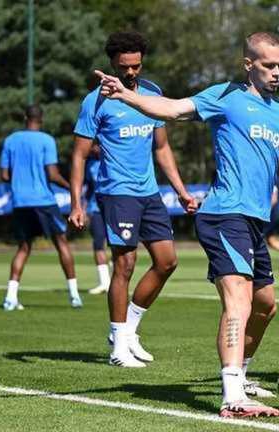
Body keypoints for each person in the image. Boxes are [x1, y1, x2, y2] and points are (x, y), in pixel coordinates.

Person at [93, 32, 279, 417]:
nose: (276, 73)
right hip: (223, 214)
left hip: (254, 221)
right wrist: (126, 94)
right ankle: (233, 395)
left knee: (266, 306)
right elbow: (171, 109)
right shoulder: (225, 97)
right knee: (239, 300)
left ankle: (243, 375)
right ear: (248, 64)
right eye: (268, 65)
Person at [69, 31, 198, 368]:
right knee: (124, 265)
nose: (130, 72)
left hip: (149, 192)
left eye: (136, 66)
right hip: (116, 193)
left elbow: (162, 148)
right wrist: (76, 203)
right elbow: (79, 155)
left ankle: (129, 332)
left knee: (167, 261)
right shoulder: (95, 101)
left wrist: (181, 191)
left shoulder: (152, 94)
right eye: (124, 66)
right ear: (112, 63)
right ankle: (117, 348)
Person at [0, 105, 83, 311]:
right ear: (41, 119)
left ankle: (10, 298)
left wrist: (20, 183)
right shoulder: (46, 140)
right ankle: (74, 296)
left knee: (23, 248)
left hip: (20, 202)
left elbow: (4, 175)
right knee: (61, 244)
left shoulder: (10, 140)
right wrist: (71, 187)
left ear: (25, 117)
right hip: (44, 201)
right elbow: (52, 174)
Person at [84, 144, 111, 295]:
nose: (93, 149)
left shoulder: (112, 158)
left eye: (96, 145)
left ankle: (117, 280)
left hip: (114, 207)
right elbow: (89, 188)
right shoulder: (90, 164)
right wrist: (83, 207)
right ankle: (104, 283)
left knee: (117, 244)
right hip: (95, 209)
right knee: (98, 244)